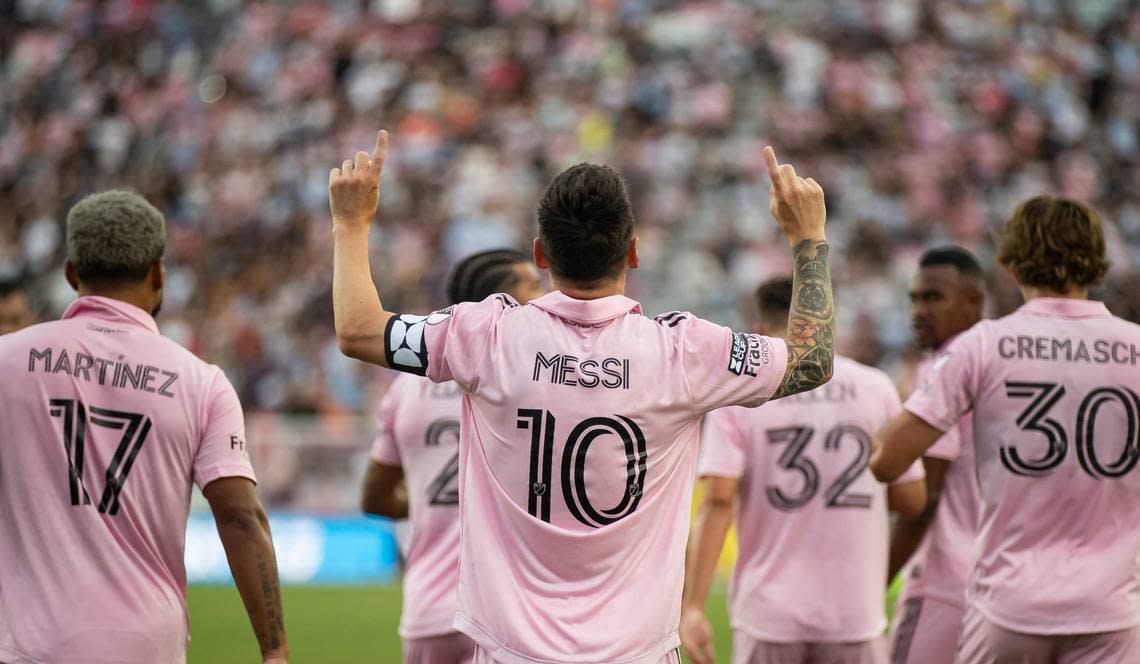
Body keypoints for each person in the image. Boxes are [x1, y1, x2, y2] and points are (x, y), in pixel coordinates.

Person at [329, 131, 835, 663]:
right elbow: (813, 359)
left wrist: (351, 223)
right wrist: (808, 238)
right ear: (634, 252)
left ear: (541, 253)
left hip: (511, 653)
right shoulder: (686, 351)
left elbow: (358, 330)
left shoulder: (484, 335)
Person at [0, 191, 287, 664]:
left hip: (32, 646)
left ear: (72, 273)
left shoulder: (10, 360)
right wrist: (274, 649)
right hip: (146, 647)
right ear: (158, 273)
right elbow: (239, 517)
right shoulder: (201, 383)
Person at [871, 196, 1140, 663]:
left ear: (1014, 264)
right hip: (1112, 607)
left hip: (1009, 604)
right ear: (1097, 262)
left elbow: (886, 460)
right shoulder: (1136, 348)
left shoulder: (983, 345)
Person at [680, 277, 927, 664]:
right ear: (828, 321)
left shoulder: (741, 394)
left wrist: (693, 605)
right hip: (853, 611)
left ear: (760, 329)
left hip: (769, 613)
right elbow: (912, 498)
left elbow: (718, 501)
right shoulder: (875, 387)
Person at [361, 248, 543, 664]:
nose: (545, 295)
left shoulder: (407, 386)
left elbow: (374, 499)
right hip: (505, 610)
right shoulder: (526, 375)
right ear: (501, 302)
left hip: (429, 609)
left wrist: (429, 501)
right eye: (533, 286)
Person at [888, 247, 984, 664]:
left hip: (944, 582)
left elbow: (925, 497)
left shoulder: (947, 367)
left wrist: (877, 578)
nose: (919, 310)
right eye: (914, 298)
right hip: (1003, 588)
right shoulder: (1003, 362)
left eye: (933, 298)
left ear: (973, 301)